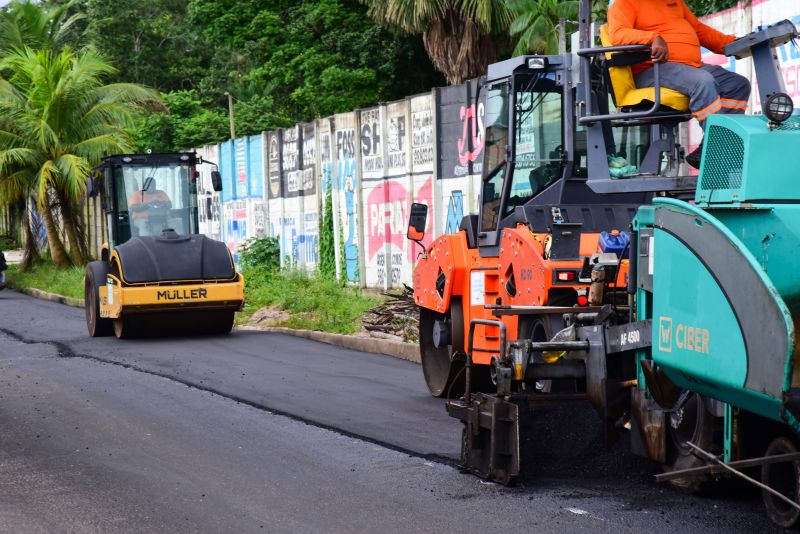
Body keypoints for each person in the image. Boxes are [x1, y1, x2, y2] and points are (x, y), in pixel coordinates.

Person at [608, 0, 751, 168]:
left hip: (690, 67)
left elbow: (699, 30)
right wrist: (653, 38)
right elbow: (617, 34)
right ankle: (719, 146)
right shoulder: (625, 3)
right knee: (702, 81)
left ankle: (712, 144)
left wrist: (733, 43)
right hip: (652, 68)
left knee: (737, 85)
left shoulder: (675, 3)